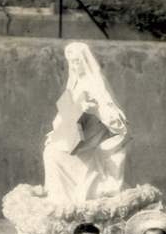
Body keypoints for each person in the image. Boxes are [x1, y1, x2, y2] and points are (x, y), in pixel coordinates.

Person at [42, 42, 129, 204]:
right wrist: (56, 133)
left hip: (92, 139)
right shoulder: (74, 84)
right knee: (50, 150)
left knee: (54, 154)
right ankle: (62, 201)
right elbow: (64, 115)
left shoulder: (96, 85)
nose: (74, 67)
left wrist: (95, 111)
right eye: (71, 62)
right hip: (76, 135)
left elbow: (118, 124)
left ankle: (66, 202)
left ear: (86, 61)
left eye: (77, 61)